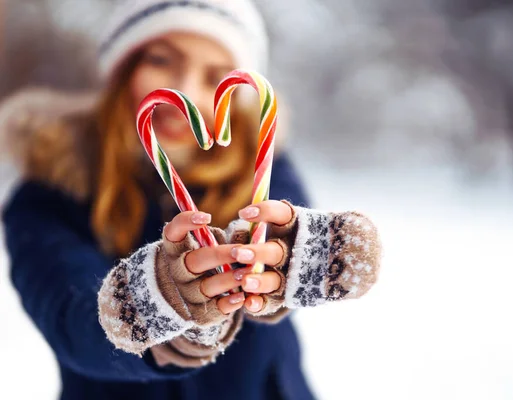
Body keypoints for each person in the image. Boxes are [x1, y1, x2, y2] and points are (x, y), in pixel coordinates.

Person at [0, 1, 382, 399]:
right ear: (122, 67)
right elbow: (71, 319)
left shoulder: (262, 169)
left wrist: (315, 254)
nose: (185, 88)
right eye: (162, 59)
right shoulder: (47, 194)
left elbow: (286, 249)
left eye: (216, 75)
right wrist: (157, 305)